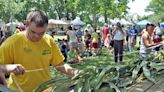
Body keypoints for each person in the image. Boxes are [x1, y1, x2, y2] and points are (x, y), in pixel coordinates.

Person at [0, 10, 79, 92]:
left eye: (42, 33)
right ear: (26, 24)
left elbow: (60, 65)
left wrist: (76, 72)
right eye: (33, 32)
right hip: (19, 90)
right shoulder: (12, 42)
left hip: (46, 89)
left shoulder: (49, 40)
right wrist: (9, 68)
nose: (37, 36)